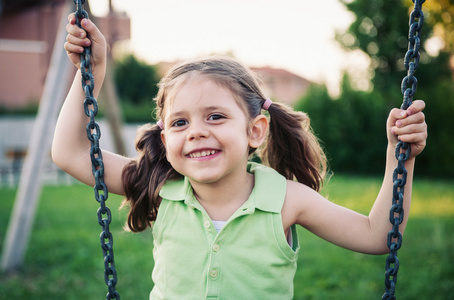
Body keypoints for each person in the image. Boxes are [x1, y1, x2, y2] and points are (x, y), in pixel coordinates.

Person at [53, 14, 428, 300]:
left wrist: (400, 158)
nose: (197, 131)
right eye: (180, 122)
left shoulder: (286, 199)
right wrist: (94, 70)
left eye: (215, 116)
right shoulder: (161, 185)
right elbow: (70, 152)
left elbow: (379, 236)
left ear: (255, 130)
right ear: (165, 139)